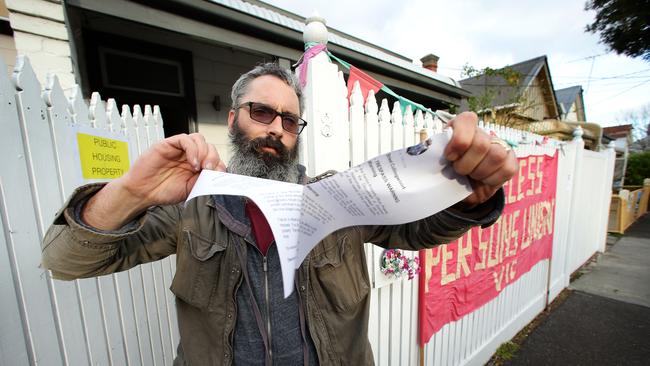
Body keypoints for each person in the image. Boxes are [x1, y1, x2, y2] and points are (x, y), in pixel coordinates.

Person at [42, 63, 517, 365]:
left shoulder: (335, 196)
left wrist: (471, 195)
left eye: (290, 120)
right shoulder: (191, 210)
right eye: (262, 113)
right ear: (233, 119)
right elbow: (65, 261)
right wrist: (131, 192)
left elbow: (418, 229)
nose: (277, 130)